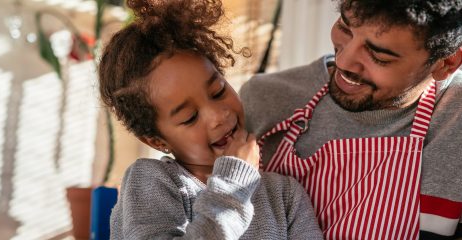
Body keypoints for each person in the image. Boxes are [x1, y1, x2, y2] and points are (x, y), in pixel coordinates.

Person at [240, 0, 462, 239]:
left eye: (379, 56)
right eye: (345, 28)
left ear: (446, 63)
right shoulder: (264, 101)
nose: (344, 62)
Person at [98, 0, 323, 239]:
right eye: (190, 117)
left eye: (218, 91)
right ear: (156, 140)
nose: (219, 116)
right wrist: (234, 185)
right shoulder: (151, 182)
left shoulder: (284, 194)